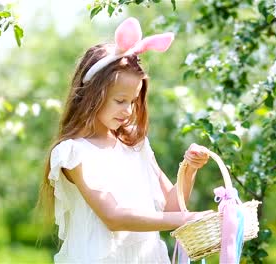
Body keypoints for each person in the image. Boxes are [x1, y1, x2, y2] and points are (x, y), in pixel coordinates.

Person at [37, 17, 212, 263]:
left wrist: (189, 168)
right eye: (120, 101)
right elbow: (113, 217)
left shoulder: (135, 144)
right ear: (91, 96)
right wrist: (189, 219)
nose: (128, 111)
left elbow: (171, 209)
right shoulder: (73, 153)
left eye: (132, 101)